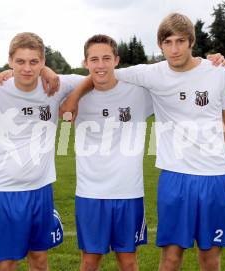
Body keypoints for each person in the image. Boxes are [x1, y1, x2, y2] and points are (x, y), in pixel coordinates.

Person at [62, 13, 225, 271]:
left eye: (180, 41)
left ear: (192, 42)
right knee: (170, 258)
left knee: (211, 258)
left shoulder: (219, 71)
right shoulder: (151, 74)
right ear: (160, 45)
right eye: (168, 42)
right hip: (174, 176)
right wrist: (74, 96)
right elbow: (102, 71)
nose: (174, 48)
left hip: (214, 175)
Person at [0, 32, 83, 271]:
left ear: (43, 62)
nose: (27, 68)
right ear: (10, 61)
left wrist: (71, 97)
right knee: (7, 263)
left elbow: (94, 78)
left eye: (34, 62)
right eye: (20, 62)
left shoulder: (56, 85)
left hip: (41, 189)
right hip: (6, 190)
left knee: (39, 259)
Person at [72, 34, 153, 271]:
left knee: (128, 260)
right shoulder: (72, 89)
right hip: (90, 193)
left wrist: (210, 61)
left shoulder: (139, 93)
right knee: (89, 260)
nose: (100, 65)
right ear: (86, 63)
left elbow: (174, 75)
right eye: (94, 59)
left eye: (106, 58)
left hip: (129, 192)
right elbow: (37, 74)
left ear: (116, 60)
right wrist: (7, 73)